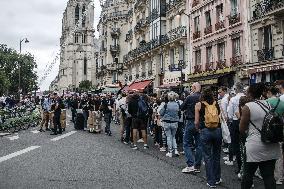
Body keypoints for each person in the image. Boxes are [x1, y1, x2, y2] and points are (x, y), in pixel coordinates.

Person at [240, 83, 281, 189]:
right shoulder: (269, 105)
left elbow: (241, 128)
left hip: (254, 145)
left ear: (250, 93)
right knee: (269, 176)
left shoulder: (247, 107)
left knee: (248, 175)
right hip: (271, 143)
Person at [195, 88, 222, 188]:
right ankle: (217, 178)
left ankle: (211, 181)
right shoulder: (216, 104)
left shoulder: (199, 104)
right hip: (217, 130)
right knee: (217, 155)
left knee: (207, 156)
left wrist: (198, 129)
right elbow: (221, 117)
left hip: (205, 131)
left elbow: (196, 121)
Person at [181, 82, 202, 173]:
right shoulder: (203, 97)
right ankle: (197, 166)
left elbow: (182, 107)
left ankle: (190, 165)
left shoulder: (190, 97)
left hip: (191, 121)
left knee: (186, 143)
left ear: (193, 88)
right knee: (199, 145)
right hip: (201, 123)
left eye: (191, 87)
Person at [226, 83, 245, 175]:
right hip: (247, 122)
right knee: (245, 144)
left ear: (236, 89)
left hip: (236, 122)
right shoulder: (247, 98)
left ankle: (240, 167)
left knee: (236, 145)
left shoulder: (233, 99)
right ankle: (247, 166)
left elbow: (229, 114)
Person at [159, 92, 180, 157]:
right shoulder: (177, 104)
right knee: (173, 137)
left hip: (167, 122)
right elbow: (179, 112)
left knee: (168, 137)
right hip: (175, 122)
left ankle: (170, 151)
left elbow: (161, 113)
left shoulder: (166, 104)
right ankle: (176, 150)